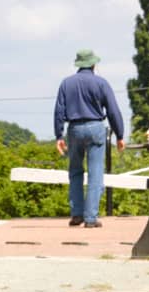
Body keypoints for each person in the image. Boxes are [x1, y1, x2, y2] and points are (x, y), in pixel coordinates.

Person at [53, 49, 126, 228]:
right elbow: (113, 111)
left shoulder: (66, 83)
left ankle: (77, 215)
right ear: (93, 64)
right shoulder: (101, 83)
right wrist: (120, 135)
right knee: (95, 173)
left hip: (74, 129)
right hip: (95, 127)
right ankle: (91, 218)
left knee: (75, 172)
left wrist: (59, 135)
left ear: (78, 64)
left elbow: (59, 111)